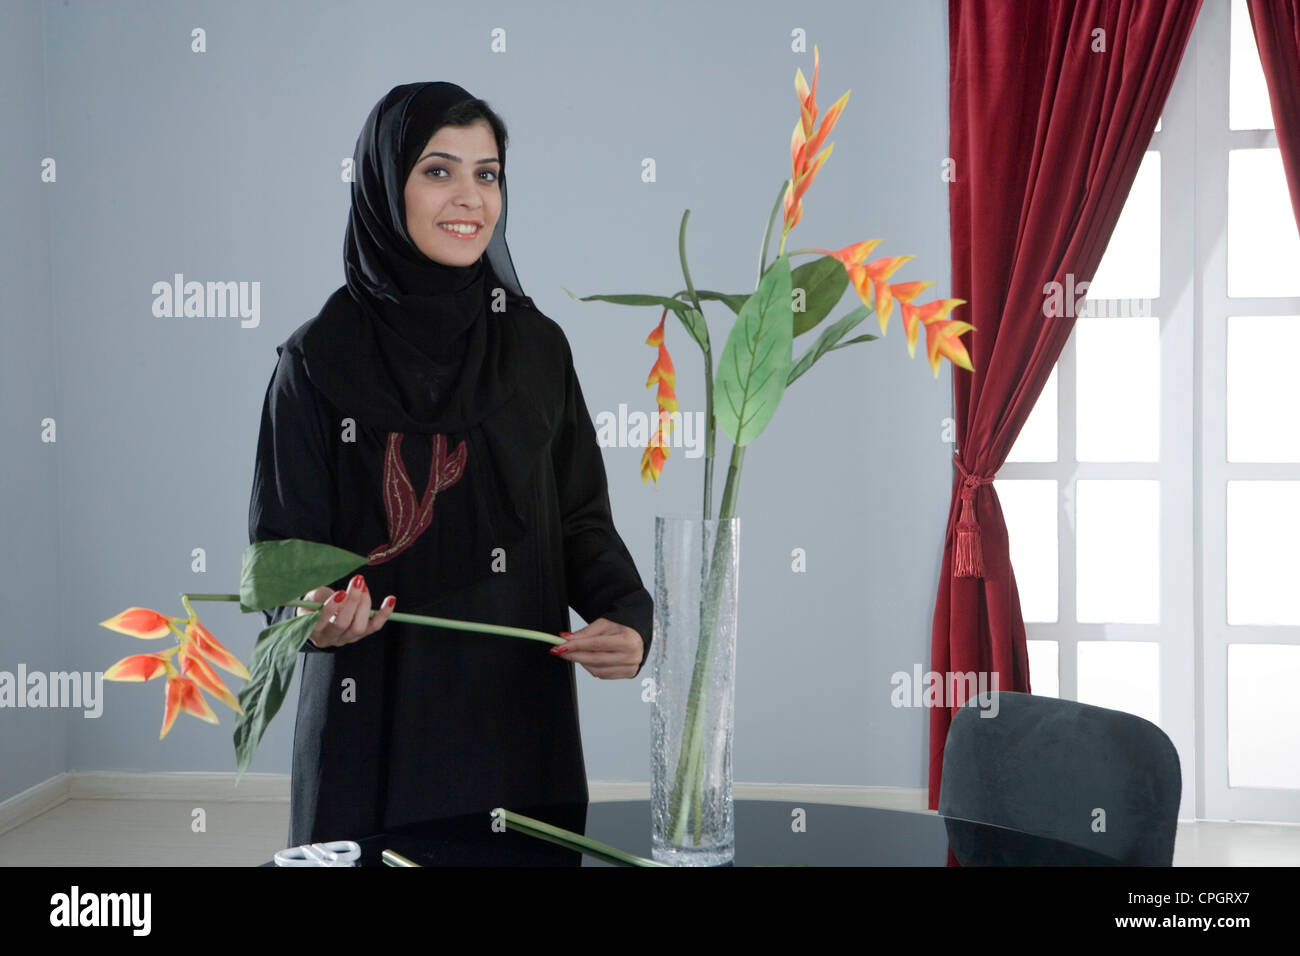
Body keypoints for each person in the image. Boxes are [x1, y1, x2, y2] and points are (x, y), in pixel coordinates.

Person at [247, 81, 653, 848]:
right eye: (438, 170)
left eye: (487, 173)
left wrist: (630, 618)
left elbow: (578, 520)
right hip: (376, 730)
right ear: (383, 184)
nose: (469, 197)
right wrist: (311, 615)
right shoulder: (315, 361)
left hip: (519, 727)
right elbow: (279, 560)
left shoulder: (536, 349)